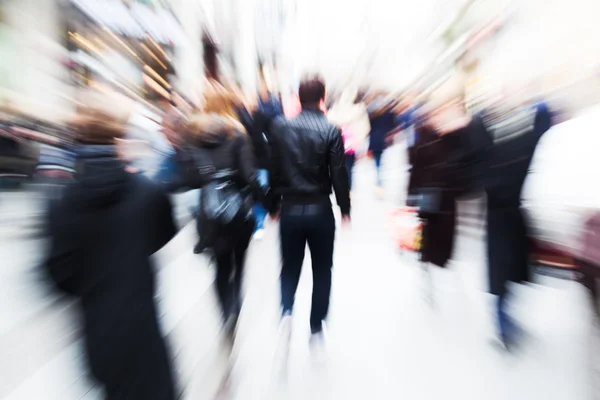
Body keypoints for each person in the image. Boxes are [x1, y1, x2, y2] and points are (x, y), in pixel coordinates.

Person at [43, 105, 178, 399]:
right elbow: (165, 232)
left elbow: (57, 273)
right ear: (119, 138)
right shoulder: (147, 191)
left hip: (98, 329)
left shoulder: (63, 201)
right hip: (143, 324)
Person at [268, 77, 351, 342]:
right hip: (320, 211)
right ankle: (316, 327)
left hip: (290, 210)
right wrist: (345, 209)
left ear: (298, 98)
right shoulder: (331, 130)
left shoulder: (281, 128)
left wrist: (272, 206)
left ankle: (287, 313)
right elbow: (339, 175)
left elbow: (274, 170)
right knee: (322, 269)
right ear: (322, 97)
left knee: (290, 266)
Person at [181, 92, 268, 337]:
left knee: (220, 266)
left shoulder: (193, 138)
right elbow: (250, 175)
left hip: (210, 214)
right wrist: (266, 201)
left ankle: (225, 310)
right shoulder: (237, 136)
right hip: (239, 211)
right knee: (239, 263)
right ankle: (236, 305)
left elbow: (189, 178)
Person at [250, 83, 283, 239]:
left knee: (264, 186)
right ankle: (260, 221)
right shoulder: (246, 115)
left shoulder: (265, 113)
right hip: (257, 159)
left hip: (265, 158)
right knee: (261, 188)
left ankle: (270, 213)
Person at [328, 89, 370, 192]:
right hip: (350, 145)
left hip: (337, 144)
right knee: (348, 168)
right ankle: (347, 190)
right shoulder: (358, 110)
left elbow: (329, 124)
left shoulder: (334, 111)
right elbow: (365, 128)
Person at [367, 96, 397, 195]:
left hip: (373, 140)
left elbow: (369, 128)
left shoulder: (372, 114)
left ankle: (379, 183)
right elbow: (393, 125)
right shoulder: (388, 113)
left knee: (377, 163)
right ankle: (379, 183)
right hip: (383, 140)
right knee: (380, 162)